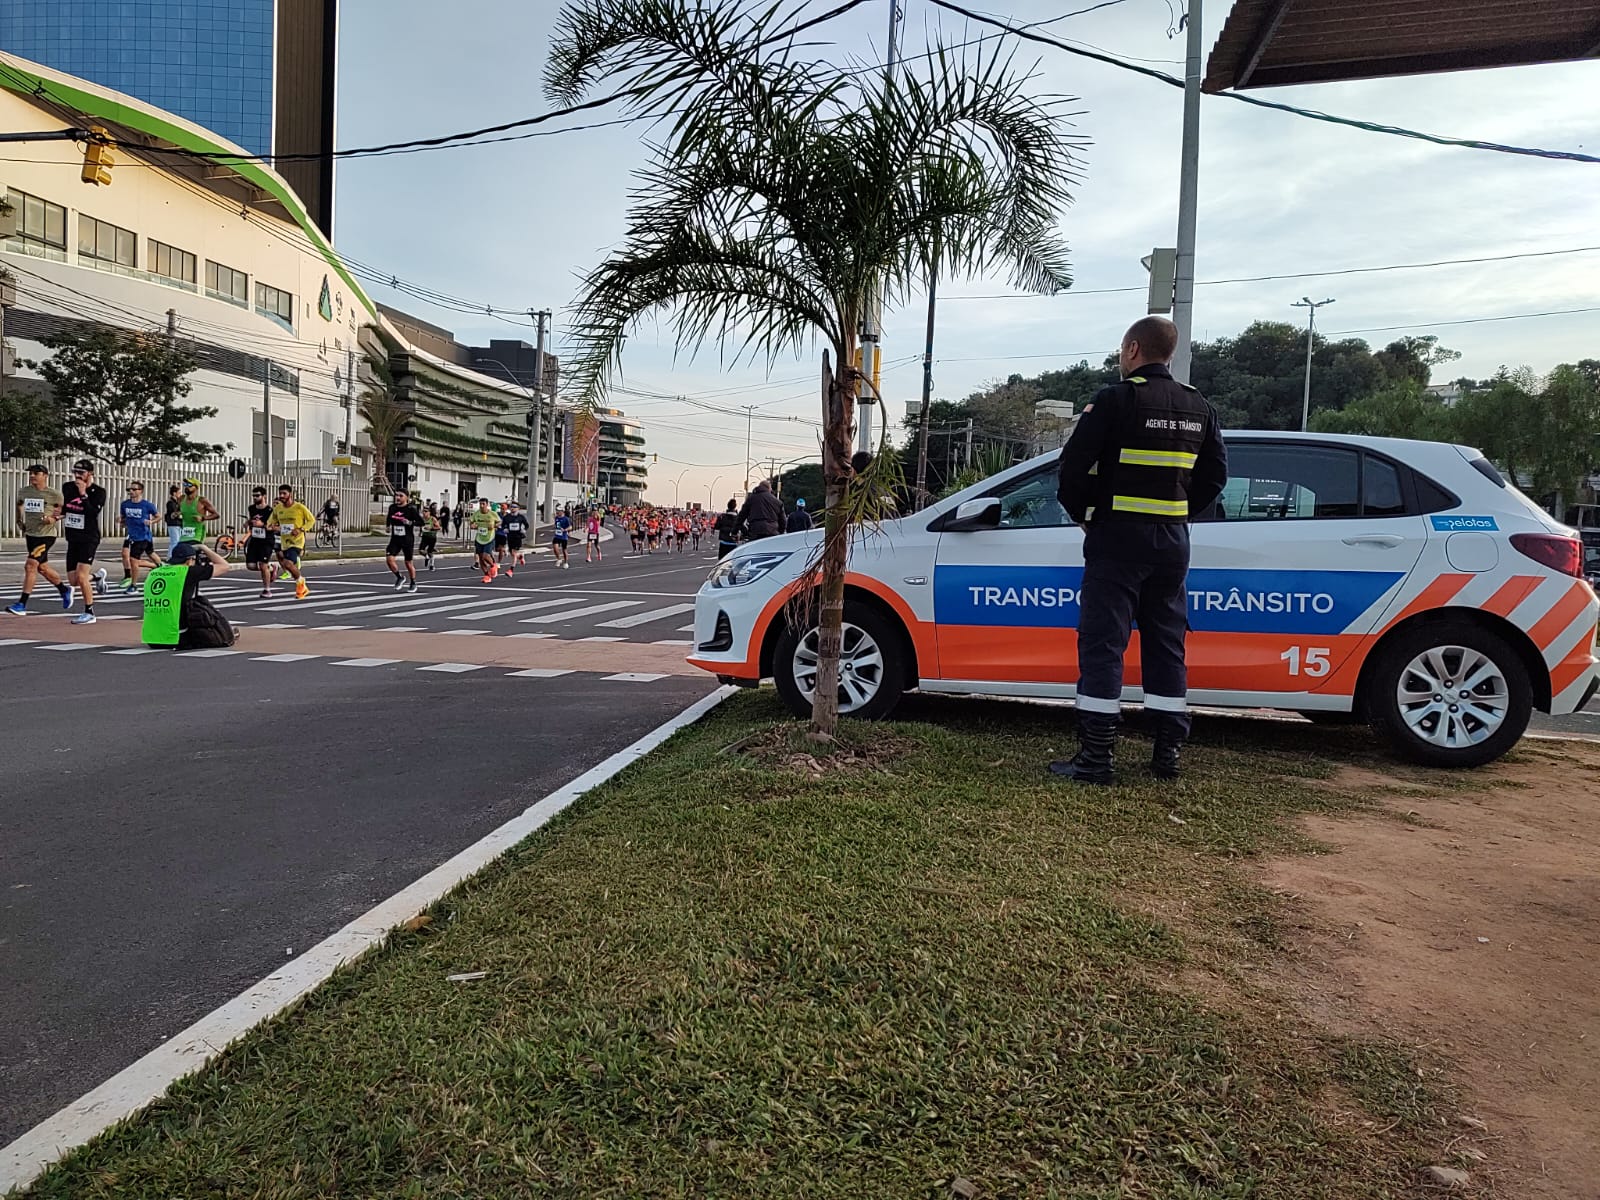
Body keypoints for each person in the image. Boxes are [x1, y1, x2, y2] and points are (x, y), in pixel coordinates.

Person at [1052, 316, 1228, 785]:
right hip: (1172, 543)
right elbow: (1215, 476)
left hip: (1117, 539)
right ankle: (1166, 753)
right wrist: (1179, 512)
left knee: (1104, 643)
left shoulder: (1116, 399)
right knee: (1167, 643)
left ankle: (1096, 758)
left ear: (1132, 349)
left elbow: (1072, 471)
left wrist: (1084, 515)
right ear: (1168, 354)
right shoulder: (1197, 405)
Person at [141, 540, 235, 650]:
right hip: (177, 638)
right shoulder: (187, 572)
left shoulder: (154, 572)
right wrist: (204, 548)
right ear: (190, 560)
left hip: (152, 639)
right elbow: (224, 566)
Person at [8, 464, 71, 616]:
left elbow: (66, 511)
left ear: (45, 475)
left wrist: (53, 518)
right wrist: (19, 520)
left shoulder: (54, 494)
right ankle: (64, 589)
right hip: (31, 534)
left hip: (46, 535)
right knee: (42, 568)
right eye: (31, 473)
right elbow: (19, 505)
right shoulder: (25, 491)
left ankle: (22, 604)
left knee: (30, 566)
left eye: (36, 473)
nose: (32, 476)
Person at [60, 459, 108, 624]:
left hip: (89, 537)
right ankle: (97, 577)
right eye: (75, 472)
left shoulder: (99, 492)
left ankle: (89, 612)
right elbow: (66, 508)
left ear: (90, 474)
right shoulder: (68, 487)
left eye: (81, 473)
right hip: (73, 537)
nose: (78, 476)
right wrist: (55, 516)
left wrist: (83, 494)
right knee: (74, 580)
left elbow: (92, 512)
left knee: (81, 577)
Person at [270, 483, 317, 600]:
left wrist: (301, 529)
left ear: (290, 494)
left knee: (287, 563)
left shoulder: (299, 507)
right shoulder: (278, 509)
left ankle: (301, 584)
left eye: (284, 493)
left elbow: (311, 520)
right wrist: (273, 527)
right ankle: (301, 583)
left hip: (297, 541)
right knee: (287, 564)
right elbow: (270, 523)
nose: (281, 496)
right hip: (284, 541)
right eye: (280, 493)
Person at [118, 481, 162, 593]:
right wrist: (120, 521)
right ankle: (162, 568)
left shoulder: (147, 505)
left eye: (134, 489)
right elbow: (123, 519)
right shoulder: (125, 504)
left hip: (143, 536)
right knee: (151, 553)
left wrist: (151, 521)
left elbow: (158, 516)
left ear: (140, 491)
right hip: (132, 535)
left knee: (133, 560)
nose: (131, 491)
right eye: (129, 490)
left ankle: (133, 585)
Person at [244, 485, 279, 598]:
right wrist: (248, 523)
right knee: (250, 565)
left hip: (267, 540)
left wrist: (262, 525)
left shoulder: (270, 511)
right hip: (255, 539)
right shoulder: (251, 508)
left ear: (264, 496)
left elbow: (274, 527)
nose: (255, 498)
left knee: (263, 565)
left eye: (257, 495)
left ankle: (267, 590)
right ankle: (271, 568)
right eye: (253, 496)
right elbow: (253, 520)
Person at [385, 487, 422, 592]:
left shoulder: (411, 509)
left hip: (407, 539)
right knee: (389, 559)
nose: (398, 498)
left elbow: (421, 522)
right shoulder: (392, 507)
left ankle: (413, 582)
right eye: (397, 495)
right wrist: (388, 526)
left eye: (401, 496)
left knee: (408, 563)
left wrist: (410, 523)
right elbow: (389, 517)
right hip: (395, 539)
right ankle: (399, 577)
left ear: (407, 497)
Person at [175, 478, 219, 555]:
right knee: (180, 553)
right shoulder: (181, 499)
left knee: (192, 554)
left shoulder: (202, 500)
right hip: (184, 533)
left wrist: (203, 518)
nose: (186, 487)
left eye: (189, 485)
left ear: (196, 487)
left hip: (197, 534)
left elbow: (216, 515)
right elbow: (178, 510)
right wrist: (176, 514)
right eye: (185, 485)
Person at [469, 497, 500, 580]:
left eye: (483, 504)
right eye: (480, 504)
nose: (482, 506)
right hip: (479, 538)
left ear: (487, 505)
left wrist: (494, 526)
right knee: (481, 558)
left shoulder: (492, 514)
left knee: (485, 556)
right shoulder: (476, 514)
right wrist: (472, 526)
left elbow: (499, 522)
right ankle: (487, 575)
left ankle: (493, 566)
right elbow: (471, 522)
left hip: (489, 538)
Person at [502, 502, 529, 575]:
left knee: (513, 553)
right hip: (510, 536)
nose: (512, 508)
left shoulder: (521, 517)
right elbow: (503, 525)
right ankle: (520, 556)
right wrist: (505, 529)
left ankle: (511, 570)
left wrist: (524, 529)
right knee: (512, 553)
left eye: (514, 507)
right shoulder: (507, 517)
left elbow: (526, 525)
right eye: (511, 507)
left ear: (518, 508)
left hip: (518, 537)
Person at [163, 484, 185, 559]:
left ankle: (175, 555)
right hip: (173, 524)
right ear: (174, 493)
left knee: (178, 541)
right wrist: (180, 513)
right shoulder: (171, 503)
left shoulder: (177, 503)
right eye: (179, 492)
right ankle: (170, 556)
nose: (180, 494)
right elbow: (173, 514)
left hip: (178, 524)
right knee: (174, 541)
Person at [420, 506, 441, 571]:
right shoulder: (422, 519)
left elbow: (439, 528)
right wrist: (420, 532)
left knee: (430, 552)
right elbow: (422, 526)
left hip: (432, 537)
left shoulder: (432, 519)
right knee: (421, 550)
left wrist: (431, 528)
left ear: (429, 512)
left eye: (426, 511)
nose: (424, 513)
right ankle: (426, 557)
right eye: (423, 511)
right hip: (425, 536)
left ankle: (432, 565)